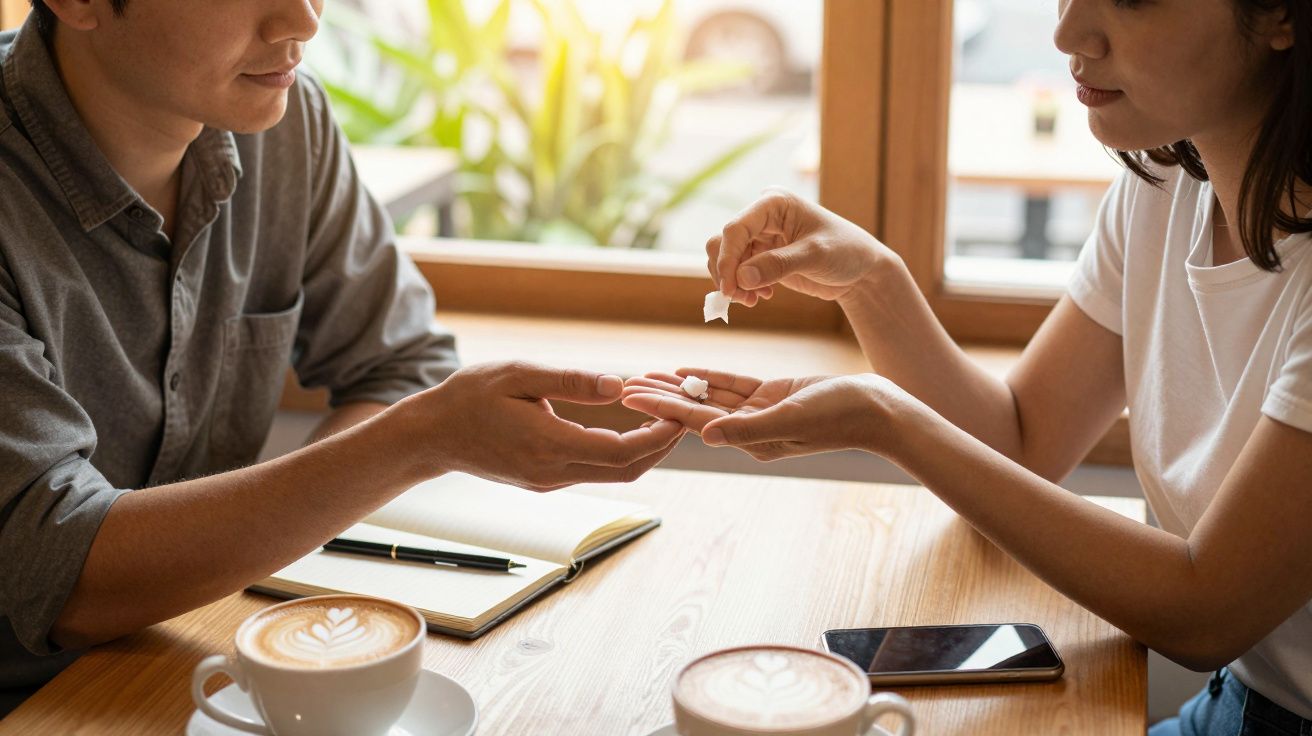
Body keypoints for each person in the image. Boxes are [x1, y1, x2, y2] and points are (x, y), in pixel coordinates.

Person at [622, 1, 1312, 733]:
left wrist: (888, 421)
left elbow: (1203, 614)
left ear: (1281, 15)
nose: (1068, 33)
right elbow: (1022, 442)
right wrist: (872, 281)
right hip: (1230, 708)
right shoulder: (1166, 188)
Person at [0, 0, 683, 712]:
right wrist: (419, 439)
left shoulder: (281, 120)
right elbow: (57, 575)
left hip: (193, 657)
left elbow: (400, 363)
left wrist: (392, 450)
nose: (301, 20)